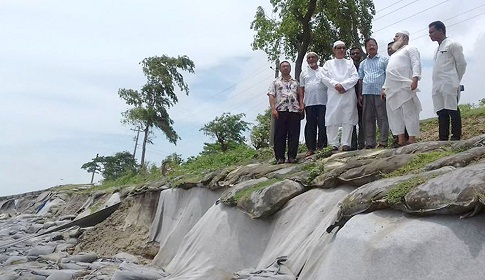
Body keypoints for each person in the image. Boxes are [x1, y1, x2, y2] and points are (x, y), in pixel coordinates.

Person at [429, 20, 467, 141]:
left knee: (452, 109)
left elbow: (461, 64)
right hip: (438, 84)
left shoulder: (452, 44)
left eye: (432, 32)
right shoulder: (437, 49)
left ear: (441, 30)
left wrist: (456, 79)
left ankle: (456, 136)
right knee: (441, 111)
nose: (430, 35)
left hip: (449, 82)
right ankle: (443, 138)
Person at [382, 30, 422, 146]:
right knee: (395, 114)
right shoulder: (394, 54)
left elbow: (416, 63)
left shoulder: (411, 49)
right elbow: (389, 72)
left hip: (405, 85)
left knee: (409, 112)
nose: (394, 38)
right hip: (392, 88)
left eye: (396, 36)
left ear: (404, 38)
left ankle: (411, 139)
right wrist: (384, 87)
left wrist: (415, 78)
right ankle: (401, 140)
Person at [321, 41, 359, 151]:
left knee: (348, 117)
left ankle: (346, 143)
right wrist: (336, 85)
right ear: (334, 50)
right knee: (332, 117)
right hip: (334, 94)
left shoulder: (349, 63)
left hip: (348, 94)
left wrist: (343, 85)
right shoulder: (328, 63)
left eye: (343, 48)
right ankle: (333, 143)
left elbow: (355, 77)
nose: (341, 50)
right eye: (338, 48)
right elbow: (324, 77)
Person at [268, 61, 302, 164]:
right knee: (279, 135)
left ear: (290, 68)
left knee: (294, 134)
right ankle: (280, 157)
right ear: (280, 68)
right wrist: (273, 109)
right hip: (281, 110)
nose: (285, 68)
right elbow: (271, 95)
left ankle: (292, 156)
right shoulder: (275, 82)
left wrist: (301, 106)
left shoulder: (296, 82)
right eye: (283, 66)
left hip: (294, 110)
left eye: (287, 66)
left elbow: (300, 95)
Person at [358, 38, 390, 148]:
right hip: (366, 93)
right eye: (369, 46)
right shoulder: (363, 63)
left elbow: (388, 75)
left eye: (373, 45)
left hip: (380, 92)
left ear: (377, 46)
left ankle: (383, 141)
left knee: (382, 117)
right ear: (366, 48)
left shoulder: (384, 60)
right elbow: (360, 79)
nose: (371, 47)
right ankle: (370, 142)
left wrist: (385, 89)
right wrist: (359, 95)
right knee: (368, 118)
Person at [299, 52, 328, 157]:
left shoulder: (324, 71)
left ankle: (322, 146)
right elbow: (301, 89)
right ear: (307, 60)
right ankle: (310, 148)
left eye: (313, 57)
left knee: (323, 124)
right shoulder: (303, 73)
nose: (311, 59)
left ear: (317, 58)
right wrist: (301, 103)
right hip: (309, 103)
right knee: (310, 126)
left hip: (323, 102)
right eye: (309, 58)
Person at [350, 47, 365, 150]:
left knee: (362, 120)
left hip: (362, 95)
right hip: (350, 97)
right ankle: (352, 144)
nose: (355, 55)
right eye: (353, 53)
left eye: (357, 53)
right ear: (350, 55)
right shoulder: (348, 66)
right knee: (351, 121)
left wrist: (361, 94)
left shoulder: (364, 65)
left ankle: (362, 143)